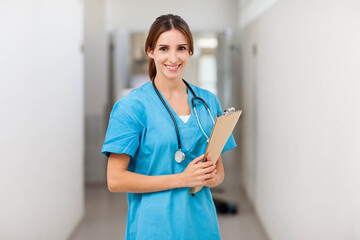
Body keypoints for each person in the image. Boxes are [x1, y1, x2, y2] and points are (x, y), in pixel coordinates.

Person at [101, 14, 236, 240]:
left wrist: (212, 178)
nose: (173, 58)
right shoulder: (131, 107)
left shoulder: (208, 102)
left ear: (190, 51)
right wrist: (183, 179)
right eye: (164, 48)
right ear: (150, 51)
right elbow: (115, 180)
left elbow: (219, 172)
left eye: (181, 48)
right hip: (154, 227)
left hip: (202, 226)